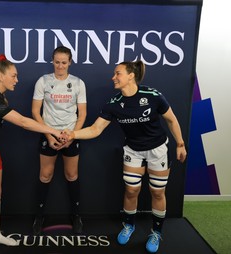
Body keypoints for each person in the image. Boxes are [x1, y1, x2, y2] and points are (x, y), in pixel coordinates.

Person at [64, 60, 187, 253]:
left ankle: (156, 232)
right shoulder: (113, 104)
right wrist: (72, 134)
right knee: (131, 191)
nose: (113, 77)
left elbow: (171, 119)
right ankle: (129, 225)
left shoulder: (153, 96)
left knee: (157, 192)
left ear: (131, 75)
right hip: (133, 150)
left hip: (158, 150)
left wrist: (180, 143)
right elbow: (96, 129)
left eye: (117, 73)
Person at [0, 54, 66, 251]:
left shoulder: (0, 96)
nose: (17, 80)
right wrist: (54, 131)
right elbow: (23, 122)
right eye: (14, 76)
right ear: (1, 76)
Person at [31, 46, 87, 235]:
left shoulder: (78, 83)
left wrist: (72, 136)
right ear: (52, 61)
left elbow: (82, 114)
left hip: (71, 135)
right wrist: (48, 134)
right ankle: (39, 216)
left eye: (64, 62)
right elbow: (34, 112)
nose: (60, 66)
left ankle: (76, 215)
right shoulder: (43, 81)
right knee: (45, 175)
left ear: (70, 62)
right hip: (49, 134)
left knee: (72, 175)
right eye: (57, 62)